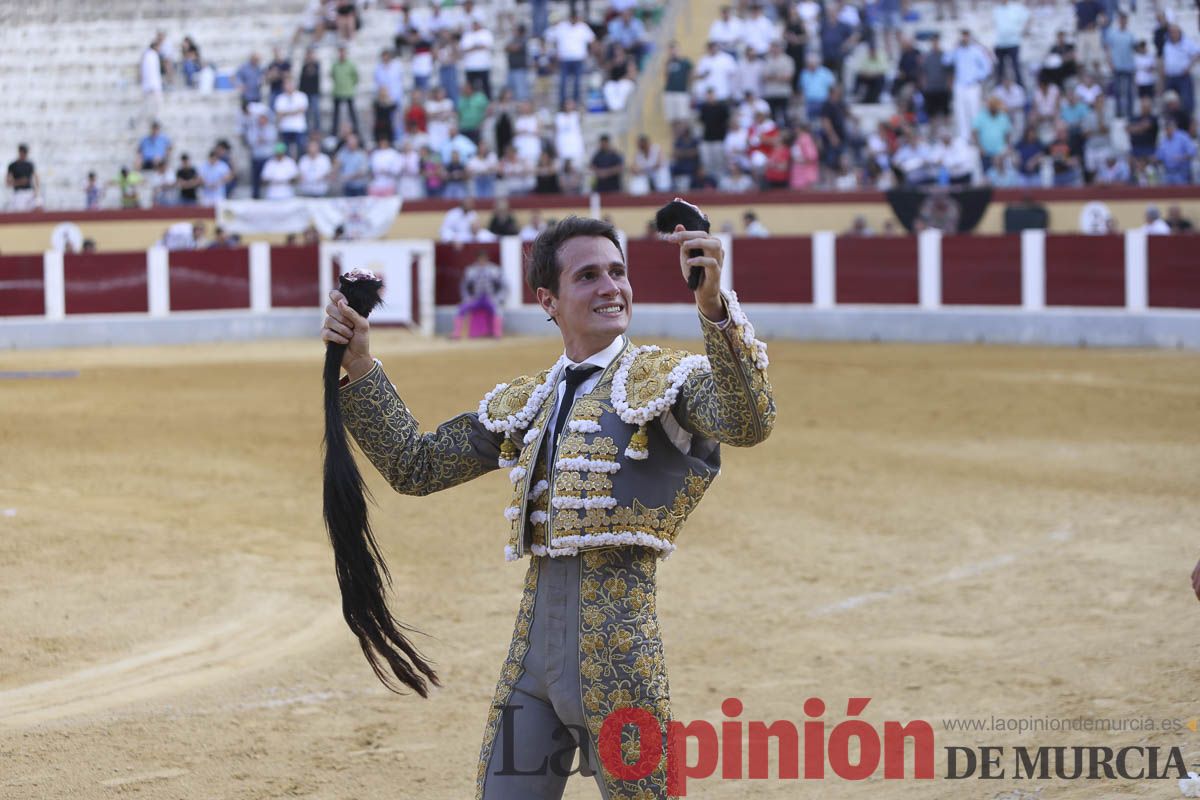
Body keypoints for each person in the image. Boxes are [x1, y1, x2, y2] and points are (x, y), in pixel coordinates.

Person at [321, 214, 775, 799]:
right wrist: (359, 362)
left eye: (618, 272)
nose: (611, 287)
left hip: (621, 668)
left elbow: (748, 420)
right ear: (548, 300)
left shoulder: (664, 382)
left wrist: (714, 308)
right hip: (531, 670)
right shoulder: (530, 400)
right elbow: (417, 465)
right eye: (588, 276)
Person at [451, 250, 507, 339]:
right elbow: (464, 286)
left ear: (487, 259)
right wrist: (467, 298)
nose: (482, 261)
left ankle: (497, 334)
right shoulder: (471, 270)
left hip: (490, 298)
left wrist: (498, 298)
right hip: (475, 299)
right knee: (460, 309)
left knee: (498, 311)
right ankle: (456, 334)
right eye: (480, 259)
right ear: (477, 259)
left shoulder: (494, 270)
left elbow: (503, 286)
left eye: (484, 259)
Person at [6, 144, 39, 211]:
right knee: (21, 211)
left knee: (38, 207)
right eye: (23, 152)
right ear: (20, 152)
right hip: (19, 193)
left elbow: (36, 178)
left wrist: (36, 191)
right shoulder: (13, 165)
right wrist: (19, 182)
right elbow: (8, 182)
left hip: (30, 192)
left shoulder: (30, 164)